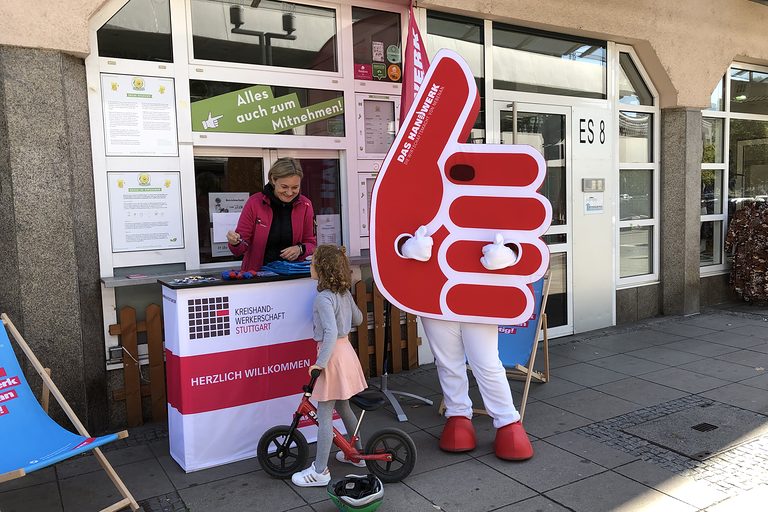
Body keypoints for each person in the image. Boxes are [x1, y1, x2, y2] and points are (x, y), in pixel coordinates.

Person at [291, 245, 369, 487]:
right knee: (344, 407)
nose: (310, 266)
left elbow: (330, 332)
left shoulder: (323, 298)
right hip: (346, 352)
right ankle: (357, 454)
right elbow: (358, 319)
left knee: (324, 414)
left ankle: (320, 470)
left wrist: (318, 365)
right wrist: (347, 301)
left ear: (322, 269)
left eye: (313, 263)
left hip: (332, 356)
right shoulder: (343, 293)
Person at [226, 158, 316, 270]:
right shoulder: (254, 203)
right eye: (284, 187)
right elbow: (240, 249)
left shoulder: (305, 205)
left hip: (293, 276)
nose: (289, 192)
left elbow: (311, 244)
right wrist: (235, 242)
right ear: (273, 179)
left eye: (295, 187)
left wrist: (300, 249)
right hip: (258, 276)